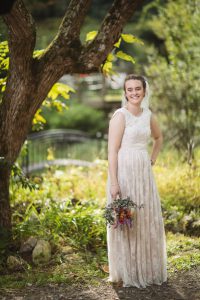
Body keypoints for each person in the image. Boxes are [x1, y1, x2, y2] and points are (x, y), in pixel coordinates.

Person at [106, 74, 168, 288]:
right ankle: (128, 271)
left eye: (137, 89)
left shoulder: (148, 115)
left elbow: (158, 138)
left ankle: (147, 269)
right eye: (130, 89)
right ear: (125, 92)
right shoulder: (120, 116)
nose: (134, 92)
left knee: (145, 218)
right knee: (126, 221)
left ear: (144, 90)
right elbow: (112, 151)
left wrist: (152, 158)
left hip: (143, 174)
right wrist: (114, 183)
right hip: (124, 173)